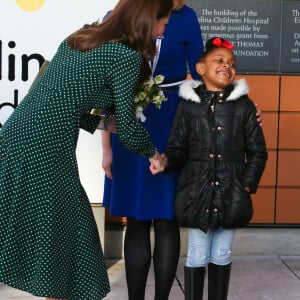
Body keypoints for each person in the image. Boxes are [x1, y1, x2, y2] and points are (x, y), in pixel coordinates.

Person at [0, 0, 173, 299]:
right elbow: (131, 132)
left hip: (16, 136)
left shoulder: (80, 38)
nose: (161, 33)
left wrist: (107, 124)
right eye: (163, 24)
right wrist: (155, 155)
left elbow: (65, 104)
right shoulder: (125, 57)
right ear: (148, 19)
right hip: (46, 147)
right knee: (68, 237)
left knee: (61, 236)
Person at [150, 37, 268, 300]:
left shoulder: (244, 107)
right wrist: (166, 160)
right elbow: (178, 147)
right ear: (200, 68)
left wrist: (245, 184)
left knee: (222, 254)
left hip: (231, 195)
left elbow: (258, 152)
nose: (227, 66)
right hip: (197, 194)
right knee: (197, 254)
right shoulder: (188, 106)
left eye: (232, 63)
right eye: (219, 60)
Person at [101, 1, 204, 299]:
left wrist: (232, 106)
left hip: (171, 119)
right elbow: (106, 88)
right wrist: (106, 147)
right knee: (136, 216)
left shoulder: (187, 17)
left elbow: (201, 71)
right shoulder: (122, 14)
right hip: (128, 117)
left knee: (166, 216)